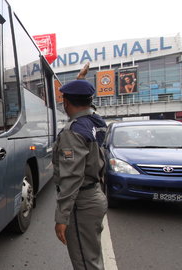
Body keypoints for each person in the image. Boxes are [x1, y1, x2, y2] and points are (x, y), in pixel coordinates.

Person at [53, 75, 108, 269]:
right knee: (92, 256)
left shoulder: (73, 131)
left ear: (66, 102)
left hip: (82, 203)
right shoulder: (96, 122)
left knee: (85, 262)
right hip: (95, 195)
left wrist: (62, 217)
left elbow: (72, 177)